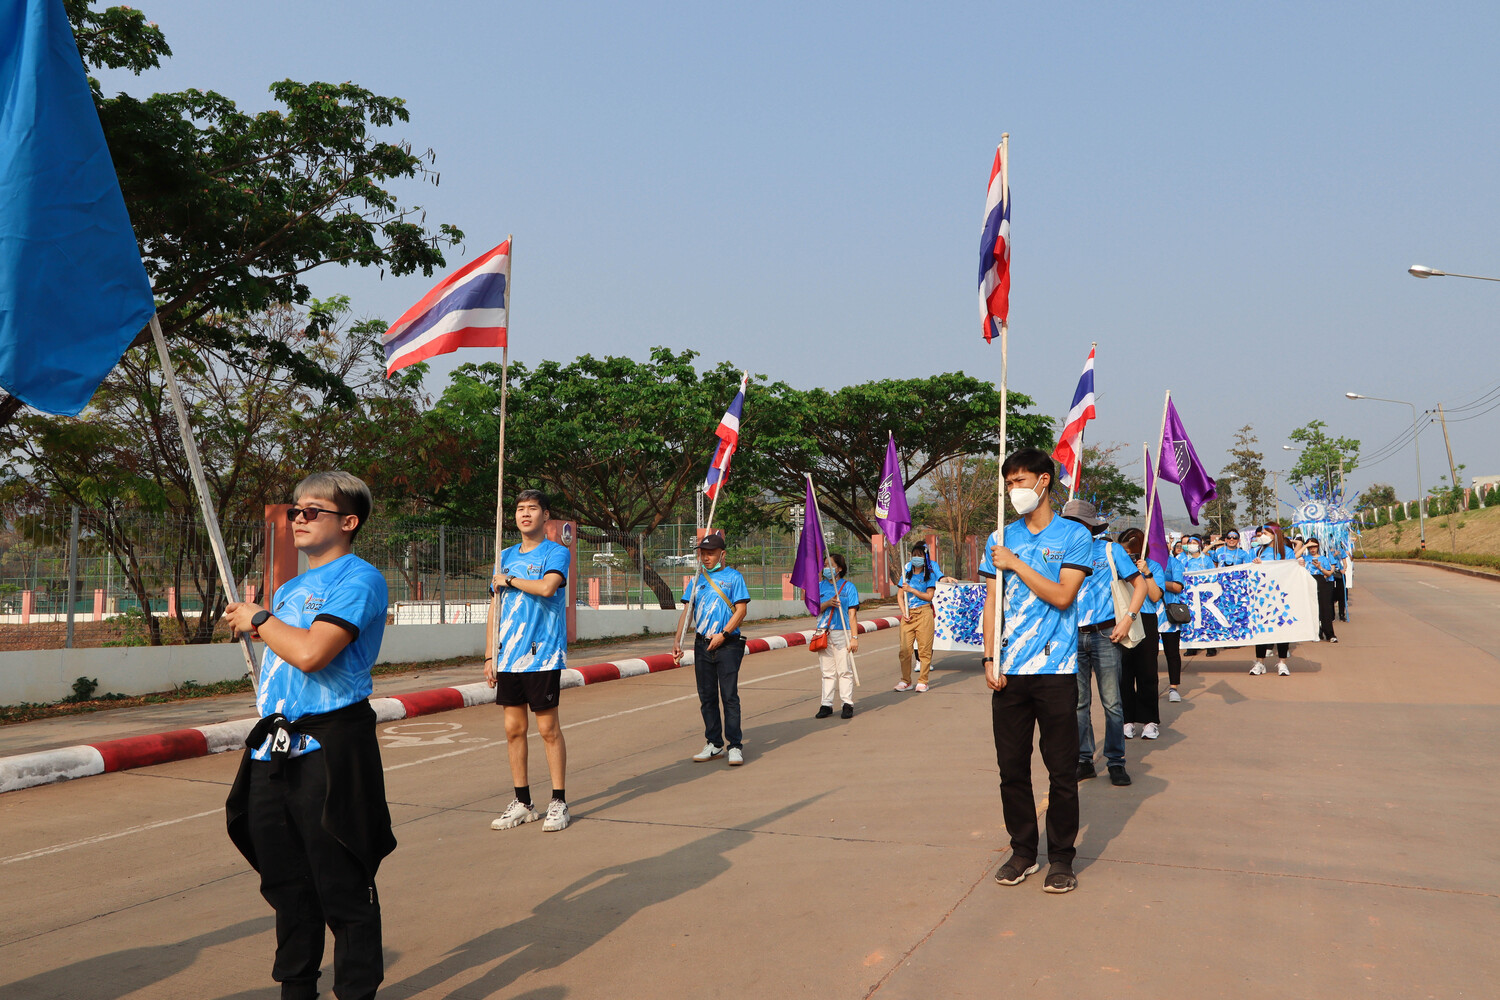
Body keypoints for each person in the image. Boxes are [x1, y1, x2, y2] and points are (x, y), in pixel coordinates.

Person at [224, 471, 394, 1000]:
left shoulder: (360, 579)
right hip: (275, 744)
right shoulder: (290, 588)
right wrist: (262, 619)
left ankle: (356, 991)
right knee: (287, 884)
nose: (298, 518)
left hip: (331, 746)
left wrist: (259, 618)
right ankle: (296, 989)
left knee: (341, 884)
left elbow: (312, 652)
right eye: (295, 509)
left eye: (311, 510)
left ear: (348, 522)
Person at [980, 448, 1092, 893]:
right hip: (1008, 672)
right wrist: (989, 657)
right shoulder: (999, 538)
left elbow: (1063, 596)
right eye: (1008, 484)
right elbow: (992, 602)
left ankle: (1061, 858)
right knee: (1012, 768)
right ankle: (1023, 851)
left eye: (1020, 481)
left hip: (1057, 670)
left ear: (1044, 481)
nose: (1014, 491)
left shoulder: (1074, 536)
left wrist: (1017, 563)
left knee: (1062, 770)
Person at [486, 489, 572, 832]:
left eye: (532, 508)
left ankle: (558, 801)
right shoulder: (503, 555)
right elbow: (495, 606)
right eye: (520, 509)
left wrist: (509, 580)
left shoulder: (556, 552)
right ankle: (522, 802)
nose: (525, 514)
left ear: (545, 515)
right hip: (508, 657)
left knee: (548, 729)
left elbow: (548, 588)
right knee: (512, 730)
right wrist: (490, 653)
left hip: (543, 654)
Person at [1064, 499, 1147, 787]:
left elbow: (1141, 584)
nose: (1071, 529)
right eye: (1067, 523)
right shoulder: (1058, 553)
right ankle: (1084, 760)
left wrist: (1127, 619)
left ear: (1090, 526)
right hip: (1071, 637)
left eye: (1077, 524)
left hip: (1106, 635)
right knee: (1078, 704)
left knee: (1112, 702)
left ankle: (1115, 761)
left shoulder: (1110, 550)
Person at [672, 533, 752, 765]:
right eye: (702, 553)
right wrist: (678, 641)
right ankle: (714, 743)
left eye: (710, 553)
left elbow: (741, 611)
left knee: (729, 696)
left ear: (722, 554)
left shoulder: (734, 577)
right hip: (702, 644)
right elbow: (687, 613)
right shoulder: (697, 579)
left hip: (728, 644)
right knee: (707, 696)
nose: (705, 558)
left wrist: (724, 634)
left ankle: (735, 745)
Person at [1117, 528, 1165, 739]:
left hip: (1145, 620)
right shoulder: (1117, 566)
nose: (1127, 555)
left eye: (1130, 551)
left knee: (1147, 673)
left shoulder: (1153, 566)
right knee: (1123, 674)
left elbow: (1155, 596)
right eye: (1123, 550)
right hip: (1122, 620)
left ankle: (1150, 721)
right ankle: (1127, 720)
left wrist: (1146, 573)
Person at [1247, 524, 1306, 676]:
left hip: (1280, 596)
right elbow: (1247, 570)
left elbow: (1292, 571)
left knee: (1282, 630)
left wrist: (1300, 565)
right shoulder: (1256, 551)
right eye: (1260, 534)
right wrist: (1255, 566)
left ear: (1274, 535)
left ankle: (1282, 663)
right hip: (1261, 596)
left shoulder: (1285, 552)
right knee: (1260, 631)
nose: (1261, 536)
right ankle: (1259, 663)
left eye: (1265, 533)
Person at [814, 553, 860, 719]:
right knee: (827, 671)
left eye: (830, 565)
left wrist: (854, 637)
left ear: (839, 568)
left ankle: (847, 703)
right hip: (823, 632)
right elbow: (814, 610)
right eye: (825, 565)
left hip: (843, 632)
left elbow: (852, 614)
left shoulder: (848, 587)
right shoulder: (818, 587)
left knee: (844, 670)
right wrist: (827, 603)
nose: (827, 568)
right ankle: (826, 704)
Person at [894, 540, 942, 692]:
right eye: (914, 555)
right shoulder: (905, 574)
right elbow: (900, 596)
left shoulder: (929, 575)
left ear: (925, 558)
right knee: (904, 650)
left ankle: (923, 680)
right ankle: (905, 681)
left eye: (919, 555)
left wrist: (913, 590)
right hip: (908, 616)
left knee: (924, 650)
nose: (916, 558)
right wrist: (904, 612)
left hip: (924, 613)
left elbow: (929, 596)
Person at [1178, 534, 1219, 659]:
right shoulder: (1183, 560)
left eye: (1194, 543)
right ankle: (1192, 647)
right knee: (1190, 620)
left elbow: (1213, 574)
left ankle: (1210, 647)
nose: (1192, 545)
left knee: (1206, 619)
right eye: (1190, 543)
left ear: (1200, 545)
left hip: (1204, 594)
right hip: (1189, 594)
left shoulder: (1206, 559)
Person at [1159, 540, 1188, 697]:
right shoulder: (1145, 563)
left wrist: (1156, 581)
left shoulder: (1174, 563)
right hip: (1150, 614)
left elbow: (1177, 586)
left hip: (1169, 614)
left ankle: (1173, 688)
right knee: (1148, 655)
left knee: (1172, 653)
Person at [1301, 537, 1340, 643]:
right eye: (1310, 547)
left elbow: (1328, 573)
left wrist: (1319, 567)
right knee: (1312, 608)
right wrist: (1304, 546)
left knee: (1325, 608)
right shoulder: (1304, 558)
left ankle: (1330, 634)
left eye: (1314, 546)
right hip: (1309, 582)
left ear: (1318, 547)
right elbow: (1293, 557)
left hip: (1323, 583)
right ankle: (1316, 632)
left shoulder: (1323, 558)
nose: (1312, 549)